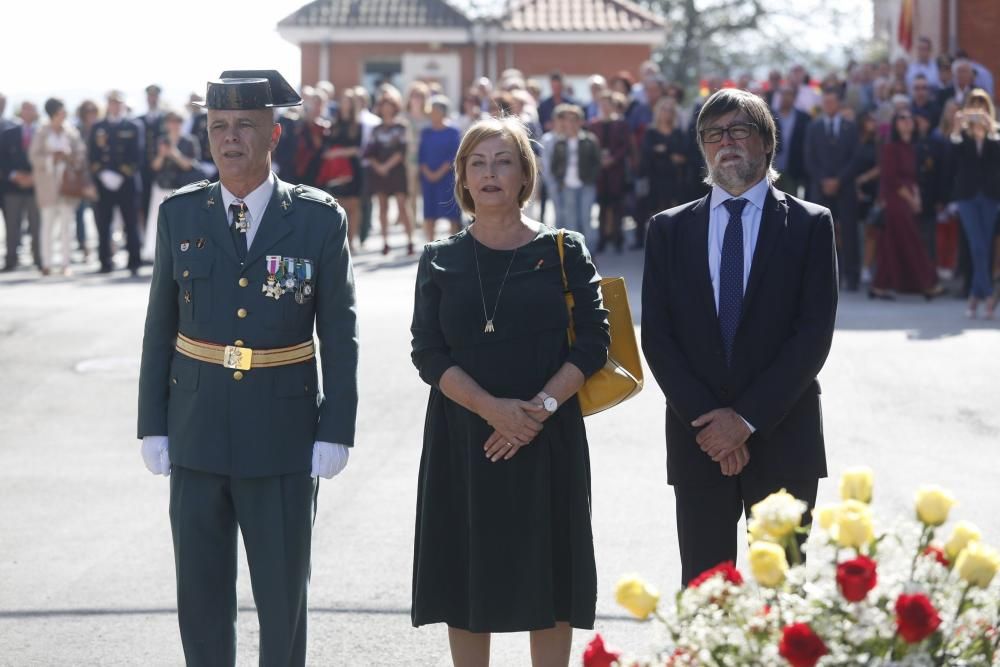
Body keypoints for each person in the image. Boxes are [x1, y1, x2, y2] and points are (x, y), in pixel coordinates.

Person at [137, 69, 358, 667]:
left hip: (281, 432)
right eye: (218, 127)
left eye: (244, 126)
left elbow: (339, 330)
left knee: (282, 594)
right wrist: (151, 423)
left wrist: (336, 426)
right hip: (197, 425)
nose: (230, 138)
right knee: (201, 594)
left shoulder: (317, 218)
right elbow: (161, 325)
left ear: (273, 134)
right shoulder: (181, 214)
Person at [410, 115, 608, 667]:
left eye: (504, 161)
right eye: (478, 163)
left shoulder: (565, 249)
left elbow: (595, 342)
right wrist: (494, 411)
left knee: (552, 576)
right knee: (468, 574)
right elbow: (427, 351)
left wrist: (537, 411)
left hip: (548, 437)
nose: (491, 173)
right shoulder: (439, 258)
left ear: (526, 174)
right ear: (463, 178)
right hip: (464, 438)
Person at [641, 88, 837, 586]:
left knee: (783, 594)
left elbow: (812, 336)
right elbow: (659, 338)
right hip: (698, 441)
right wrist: (713, 425)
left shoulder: (811, 225)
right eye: (713, 134)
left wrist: (745, 420)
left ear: (767, 143)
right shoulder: (667, 229)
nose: (725, 142)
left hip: (783, 435)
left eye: (739, 130)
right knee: (706, 592)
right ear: (703, 148)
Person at [869, 110, 944, 301]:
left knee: (890, 245)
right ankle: (927, 284)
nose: (906, 122)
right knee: (912, 242)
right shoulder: (890, 148)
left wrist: (916, 198)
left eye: (909, 118)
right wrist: (911, 200)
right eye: (901, 118)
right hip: (895, 202)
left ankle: (880, 286)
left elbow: (914, 178)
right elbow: (892, 179)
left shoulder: (912, 147)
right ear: (895, 124)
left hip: (908, 200)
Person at [950, 89, 1000, 318]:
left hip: (990, 197)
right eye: (974, 104)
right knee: (977, 245)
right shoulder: (963, 135)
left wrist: (990, 127)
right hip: (967, 197)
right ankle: (988, 295)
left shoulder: (994, 135)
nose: (978, 109)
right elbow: (953, 153)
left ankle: (974, 296)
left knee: (984, 246)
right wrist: (958, 126)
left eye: (982, 104)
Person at [804, 87, 859, 289]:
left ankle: (852, 276)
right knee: (821, 233)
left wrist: (839, 181)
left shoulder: (850, 127)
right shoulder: (813, 127)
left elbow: (855, 158)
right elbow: (809, 158)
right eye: (825, 102)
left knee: (849, 233)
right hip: (821, 188)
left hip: (845, 187)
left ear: (839, 103)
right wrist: (824, 181)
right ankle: (822, 277)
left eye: (832, 102)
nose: (828, 105)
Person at [29, 97, 88, 276]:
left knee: (66, 226)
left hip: (67, 185)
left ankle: (65, 263)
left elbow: (81, 154)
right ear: (53, 114)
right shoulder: (41, 132)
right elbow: (34, 157)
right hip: (48, 186)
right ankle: (46, 263)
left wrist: (68, 157)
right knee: (47, 225)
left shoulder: (71, 132)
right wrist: (51, 158)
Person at [89, 90, 143, 275]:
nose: (115, 106)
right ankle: (105, 262)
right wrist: (102, 173)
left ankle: (134, 261)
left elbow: (137, 154)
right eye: (112, 102)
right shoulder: (98, 127)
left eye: (118, 102)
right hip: (104, 182)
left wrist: (122, 174)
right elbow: (92, 155)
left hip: (126, 181)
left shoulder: (133, 125)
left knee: (130, 223)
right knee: (103, 224)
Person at [141, 109, 201, 262]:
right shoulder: (160, 140)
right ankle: (156, 254)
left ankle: (183, 251)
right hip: (162, 186)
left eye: (177, 122)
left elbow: (189, 165)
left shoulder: (189, 141)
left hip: (181, 187)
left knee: (182, 221)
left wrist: (174, 153)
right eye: (171, 122)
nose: (174, 125)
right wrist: (162, 154)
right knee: (157, 221)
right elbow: (154, 166)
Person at [365, 85, 414, 255]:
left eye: (389, 105)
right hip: (379, 174)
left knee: (402, 205)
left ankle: (410, 240)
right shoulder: (376, 129)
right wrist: (378, 166)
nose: (386, 108)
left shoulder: (401, 127)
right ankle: (385, 242)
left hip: (396, 171)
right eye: (383, 105)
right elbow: (369, 152)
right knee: (383, 207)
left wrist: (386, 166)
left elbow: (402, 151)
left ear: (395, 107)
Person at [637, 97, 687, 244]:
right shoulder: (651, 132)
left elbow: (683, 156)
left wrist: (663, 151)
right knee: (655, 212)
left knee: (674, 211)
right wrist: (668, 154)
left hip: (674, 179)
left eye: (670, 110)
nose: (667, 113)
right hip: (654, 179)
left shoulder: (678, 133)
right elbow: (647, 154)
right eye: (664, 109)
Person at [550, 104, 600, 248]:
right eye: (568, 120)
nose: (571, 123)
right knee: (571, 220)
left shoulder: (589, 139)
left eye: (574, 120)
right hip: (568, 185)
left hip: (586, 185)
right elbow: (554, 165)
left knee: (586, 218)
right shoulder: (560, 142)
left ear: (580, 122)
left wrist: (591, 179)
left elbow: (596, 162)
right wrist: (560, 180)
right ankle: (574, 251)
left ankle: (590, 251)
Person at [0, 100, 42, 271]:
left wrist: (34, 176)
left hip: (35, 186)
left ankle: (39, 259)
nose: (28, 112)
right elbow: (2, 158)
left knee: (36, 225)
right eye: (25, 109)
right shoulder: (8, 133)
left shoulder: (41, 133)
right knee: (12, 226)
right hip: (12, 186)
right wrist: (14, 175)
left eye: (31, 109)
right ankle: (11, 260)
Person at [589, 91, 632, 252]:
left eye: (608, 104)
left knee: (617, 206)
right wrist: (600, 160)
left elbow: (625, 146)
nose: (605, 107)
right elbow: (591, 146)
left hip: (616, 171)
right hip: (600, 172)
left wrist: (613, 159)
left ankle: (618, 238)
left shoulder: (621, 124)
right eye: (602, 104)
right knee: (602, 206)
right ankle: (602, 238)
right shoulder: (593, 124)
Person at [321, 88, 363, 251]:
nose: (345, 104)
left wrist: (338, 152)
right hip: (337, 171)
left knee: (354, 205)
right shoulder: (334, 124)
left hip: (353, 168)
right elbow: (327, 147)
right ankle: (342, 241)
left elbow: (358, 149)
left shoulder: (357, 125)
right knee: (340, 205)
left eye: (348, 101)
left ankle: (352, 241)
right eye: (343, 101)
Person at [418, 95, 462, 243]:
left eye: (436, 110)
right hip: (428, 179)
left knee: (452, 215)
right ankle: (430, 246)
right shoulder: (426, 132)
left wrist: (439, 173)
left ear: (443, 112)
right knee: (429, 214)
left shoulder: (453, 132)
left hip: (447, 179)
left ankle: (454, 247)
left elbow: (453, 156)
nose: (433, 113)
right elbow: (421, 155)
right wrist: (427, 172)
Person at [772, 84, 811, 199]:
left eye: (789, 94)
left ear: (794, 97)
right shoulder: (770, 115)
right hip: (773, 169)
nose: (785, 97)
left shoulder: (804, 118)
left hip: (795, 169)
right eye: (783, 94)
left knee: (792, 201)